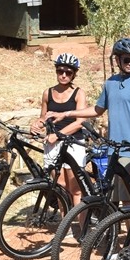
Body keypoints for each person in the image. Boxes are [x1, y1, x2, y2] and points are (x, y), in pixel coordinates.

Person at [47, 38, 130, 177]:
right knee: (111, 192)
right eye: (127, 60)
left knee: (128, 192)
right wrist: (66, 114)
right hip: (113, 150)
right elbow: (97, 110)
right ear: (117, 60)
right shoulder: (110, 83)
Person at [32, 52, 87, 205]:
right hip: (52, 143)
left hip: (73, 142)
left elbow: (80, 122)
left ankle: (79, 220)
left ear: (74, 74)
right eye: (60, 71)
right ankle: (65, 220)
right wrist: (37, 124)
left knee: (75, 189)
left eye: (68, 72)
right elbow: (44, 117)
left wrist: (58, 135)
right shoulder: (47, 93)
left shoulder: (78, 93)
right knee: (60, 187)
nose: (63, 75)